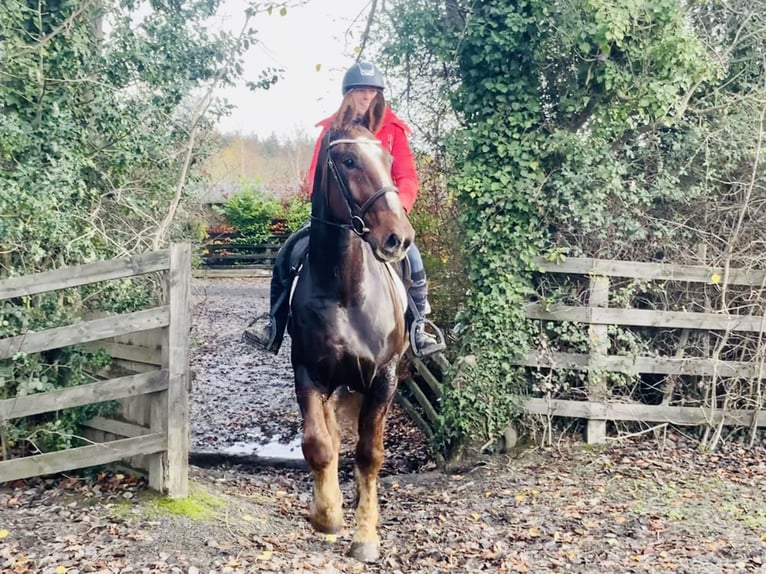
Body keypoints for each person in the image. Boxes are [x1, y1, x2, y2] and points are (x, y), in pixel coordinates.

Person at [244, 61, 444, 356]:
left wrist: (397, 209)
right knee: (289, 252)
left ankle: (418, 327)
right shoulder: (330, 131)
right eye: (361, 90)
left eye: (373, 91)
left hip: (379, 217)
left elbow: (407, 176)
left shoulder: (393, 131)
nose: (367, 97)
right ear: (348, 94)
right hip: (338, 219)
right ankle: (274, 322)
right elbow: (315, 177)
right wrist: (334, 207)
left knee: (412, 258)